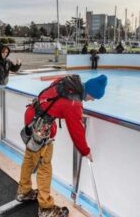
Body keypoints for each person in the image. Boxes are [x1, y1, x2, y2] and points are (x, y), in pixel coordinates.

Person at [16, 74, 108, 217]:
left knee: (30, 157)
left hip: (32, 115)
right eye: (94, 97)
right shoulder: (74, 103)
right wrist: (85, 151)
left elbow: (52, 97)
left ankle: (24, 191)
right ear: (89, 92)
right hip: (40, 128)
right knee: (44, 166)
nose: (93, 100)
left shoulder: (66, 82)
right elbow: (76, 131)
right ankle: (46, 208)